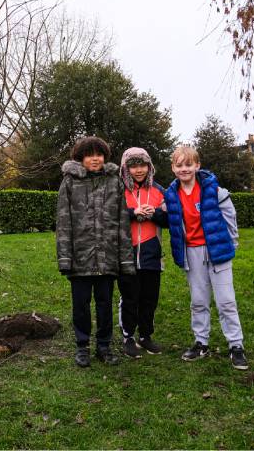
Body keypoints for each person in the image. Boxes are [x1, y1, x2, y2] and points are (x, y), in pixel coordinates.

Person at [164, 145, 248, 370]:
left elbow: (230, 218)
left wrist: (232, 245)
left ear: (197, 165)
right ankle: (201, 342)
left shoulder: (214, 190)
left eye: (188, 164)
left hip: (217, 251)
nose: (184, 169)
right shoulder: (171, 195)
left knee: (226, 301)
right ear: (173, 168)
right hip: (191, 253)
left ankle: (236, 345)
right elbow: (167, 218)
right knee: (198, 301)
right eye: (179, 165)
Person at [57, 136, 135, 367]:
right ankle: (82, 346)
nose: (95, 158)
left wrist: (125, 260)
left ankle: (104, 345)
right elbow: (63, 223)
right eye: (90, 154)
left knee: (105, 304)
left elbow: (122, 222)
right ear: (81, 157)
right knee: (80, 305)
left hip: (108, 258)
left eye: (99, 154)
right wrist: (65, 258)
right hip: (80, 258)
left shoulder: (114, 182)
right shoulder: (69, 183)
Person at [117, 147, 169, 358]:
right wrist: (132, 213)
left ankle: (145, 336)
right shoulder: (118, 190)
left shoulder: (159, 191)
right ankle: (128, 337)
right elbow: (110, 215)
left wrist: (153, 213)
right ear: (125, 168)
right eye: (133, 166)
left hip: (151, 255)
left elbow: (168, 220)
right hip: (125, 254)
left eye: (142, 165)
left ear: (149, 167)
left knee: (149, 298)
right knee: (129, 297)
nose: (138, 170)